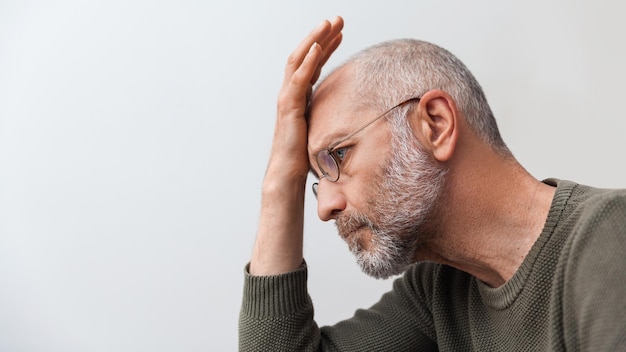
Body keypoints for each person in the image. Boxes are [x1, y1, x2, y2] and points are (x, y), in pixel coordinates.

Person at [239, 16, 626, 351]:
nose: (325, 208)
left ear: (435, 125)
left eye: (338, 155)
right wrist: (281, 183)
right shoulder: (437, 293)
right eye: (315, 180)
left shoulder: (609, 236)